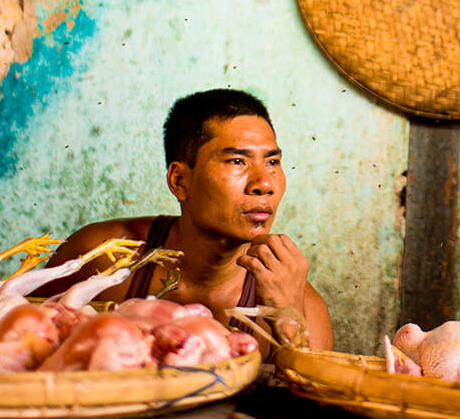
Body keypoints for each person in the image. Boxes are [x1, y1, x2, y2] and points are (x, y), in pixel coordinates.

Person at [34, 88, 334, 353]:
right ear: (179, 180)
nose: (264, 184)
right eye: (237, 161)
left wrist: (289, 321)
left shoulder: (303, 306)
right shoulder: (104, 257)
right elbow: (20, 351)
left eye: (272, 163)